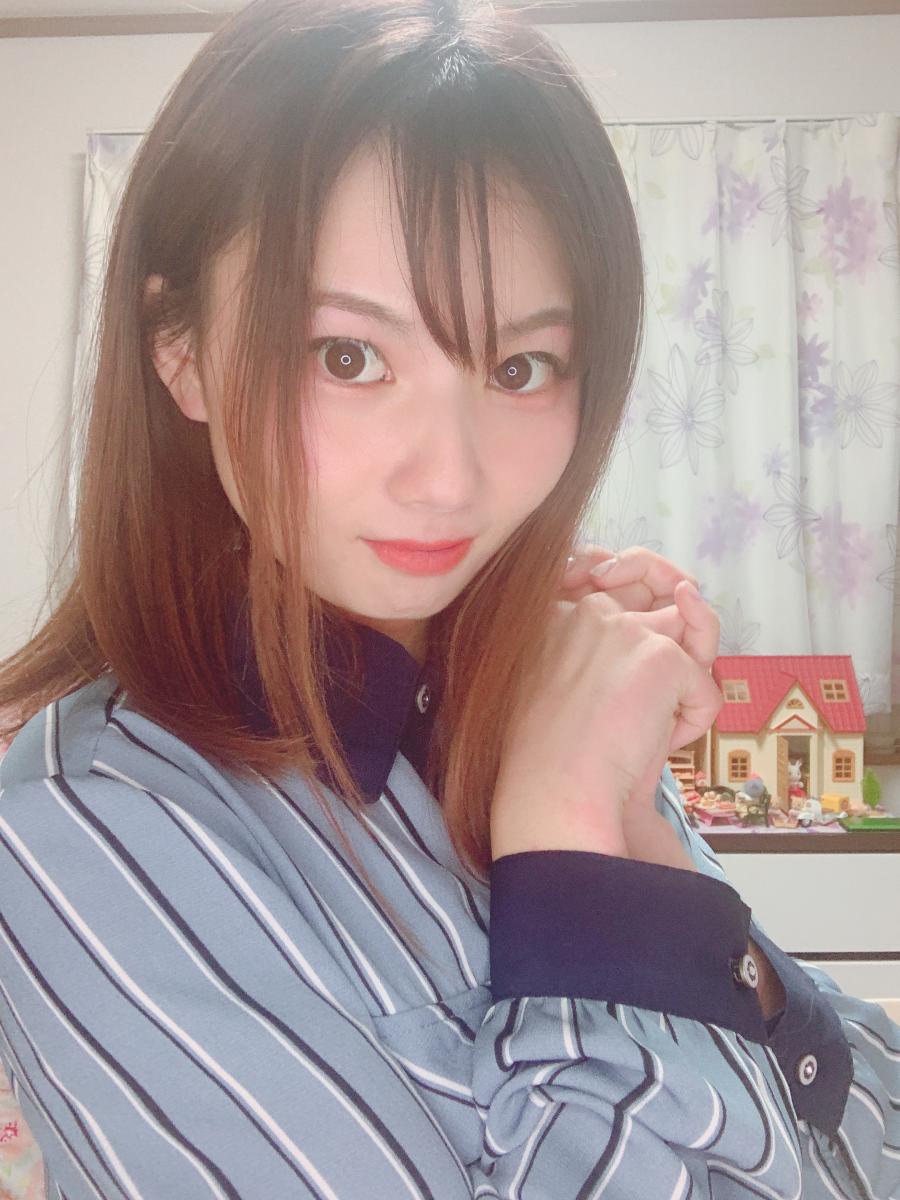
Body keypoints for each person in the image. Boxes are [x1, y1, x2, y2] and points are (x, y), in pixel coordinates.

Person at [0, 0, 897, 1196]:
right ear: (183, 350)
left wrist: (636, 835)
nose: (452, 478)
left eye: (520, 367)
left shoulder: (526, 692)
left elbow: (861, 1119)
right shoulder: (82, 828)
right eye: (347, 357)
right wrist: (569, 835)